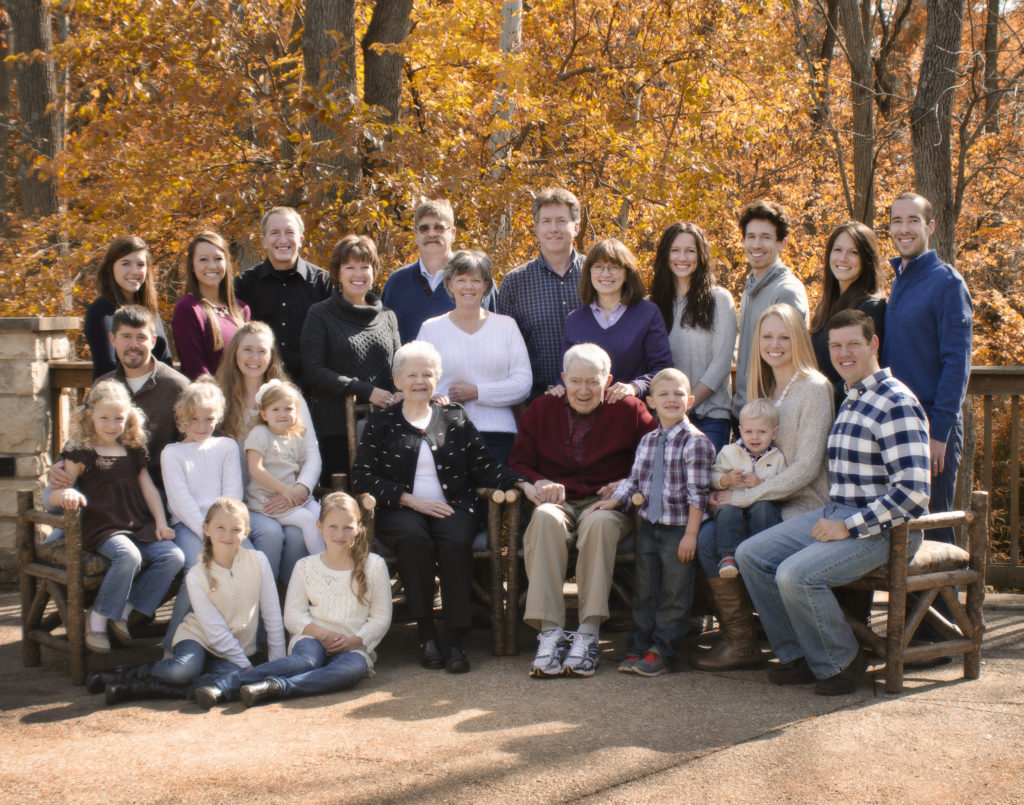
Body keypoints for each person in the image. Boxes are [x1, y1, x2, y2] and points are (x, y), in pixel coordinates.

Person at [736, 309, 931, 695]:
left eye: (853, 344)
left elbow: (913, 492)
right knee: (750, 555)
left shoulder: (895, 402)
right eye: (836, 345)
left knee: (795, 575)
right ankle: (797, 655)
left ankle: (843, 660)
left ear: (873, 344)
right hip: (838, 512)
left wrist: (848, 526)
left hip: (886, 530)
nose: (843, 353)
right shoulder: (853, 397)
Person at [351, 341, 531, 674]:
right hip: (400, 508)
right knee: (413, 539)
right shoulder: (382, 423)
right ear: (397, 379)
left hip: (454, 505)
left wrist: (521, 483)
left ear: (438, 378)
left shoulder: (454, 416)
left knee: (453, 541)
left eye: (428, 374)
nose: (420, 381)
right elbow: (362, 477)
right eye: (412, 374)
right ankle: (426, 634)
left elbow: (483, 464)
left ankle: (454, 638)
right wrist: (408, 499)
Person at [692, 303, 832, 672]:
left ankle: (775, 639)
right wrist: (725, 486)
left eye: (784, 336)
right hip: (764, 499)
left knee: (719, 541)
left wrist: (743, 496)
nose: (775, 344)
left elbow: (807, 467)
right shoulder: (768, 389)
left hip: (803, 504)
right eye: (767, 337)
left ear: (798, 339)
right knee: (707, 539)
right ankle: (743, 640)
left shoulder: (815, 388)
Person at [509, 343, 657, 678]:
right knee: (544, 520)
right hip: (558, 503)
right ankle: (550, 634)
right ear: (563, 379)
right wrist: (538, 481)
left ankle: (588, 634)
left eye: (593, 382)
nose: (584, 390)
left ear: (608, 380)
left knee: (599, 524)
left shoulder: (631, 409)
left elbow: (653, 462)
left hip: (608, 505)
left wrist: (624, 484)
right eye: (576, 381)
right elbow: (518, 461)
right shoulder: (542, 408)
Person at [192, 492, 392, 709]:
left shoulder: (374, 565)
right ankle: (223, 687)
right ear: (319, 526)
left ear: (359, 527)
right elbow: (293, 616)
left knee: (349, 670)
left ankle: (275, 687)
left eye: (348, 527)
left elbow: (380, 618)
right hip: (312, 639)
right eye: (332, 526)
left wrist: (353, 641)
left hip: (354, 646)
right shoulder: (305, 566)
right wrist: (323, 635)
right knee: (306, 661)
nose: (340, 534)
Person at [90, 498, 286, 705]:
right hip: (199, 636)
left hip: (236, 647)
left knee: (221, 683)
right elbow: (213, 628)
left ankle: (132, 690)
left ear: (246, 532)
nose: (227, 536)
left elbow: (272, 614)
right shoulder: (196, 574)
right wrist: (246, 667)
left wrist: (277, 664)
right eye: (220, 527)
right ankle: (119, 675)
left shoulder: (259, 562)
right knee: (182, 671)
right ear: (206, 529)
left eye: (235, 529)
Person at [593, 368, 715, 677]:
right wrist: (614, 500)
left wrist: (691, 534)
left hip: (678, 530)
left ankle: (664, 650)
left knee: (674, 591)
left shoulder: (696, 442)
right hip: (648, 526)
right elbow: (635, 480)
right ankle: (638, 647)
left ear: (689, 400)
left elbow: (698, 493)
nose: (671, 399)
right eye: (664, 394)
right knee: (645, 590)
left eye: (678, 394)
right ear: (651, 402)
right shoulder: (648, 441)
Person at [50, 381, 183, 654]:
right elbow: (58, 490)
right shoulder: (82, 452)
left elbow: (149, 491)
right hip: (103, 527)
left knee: (173, 557)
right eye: (104, 418)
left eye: (119, 418)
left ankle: (125, 611)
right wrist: (66, 496)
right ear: (90, 416)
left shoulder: (132, 450)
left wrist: (160, 522)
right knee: (129, 556)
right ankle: (98, 616)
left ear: (129, 417)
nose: (112, 425)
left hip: (137, 523)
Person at [882, 192, 972, 546]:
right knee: (905, 533)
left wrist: (939, 433)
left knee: (933, 529)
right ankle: (915, 605)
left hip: (932, 429)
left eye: (913, 220)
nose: (904, 229)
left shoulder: (947, 283)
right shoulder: (900, 280)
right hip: (897, 426)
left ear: (930, 226)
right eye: (896, 221)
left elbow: (957, 363)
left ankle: (952, 603)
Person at [217, 322, 320, 584]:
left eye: (261, 351)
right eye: (247, 350)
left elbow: (311, 455)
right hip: (248, 500)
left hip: (290, 495)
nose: (254, 358)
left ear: (271, 355)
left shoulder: (288, 398)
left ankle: (291, 601)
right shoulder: (222, 399)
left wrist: (299, 489)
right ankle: (263, 602)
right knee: (272, 534)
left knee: (299, 535)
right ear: (235, 353)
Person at [53, 305, 189, 491]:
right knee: (51, 494)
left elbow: (192, 441)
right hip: (106, 481)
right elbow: (83, 432)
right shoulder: (104, 384)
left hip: (158, 486)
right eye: (126, 337)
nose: (133, 344)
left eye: (141, 337)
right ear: (113, 339)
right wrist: (61, 462)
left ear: (153, 341)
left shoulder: (177, 386)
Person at [301, 235, 400, 484]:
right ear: (338, 272)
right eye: (350, 267)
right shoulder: (320, 314)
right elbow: (314, 370)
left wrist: (400, 392)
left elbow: (399, 367)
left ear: (374, 271)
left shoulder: (388, 316)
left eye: (365, 267)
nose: (358, 274)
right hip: (336, 430)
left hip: (386, 427)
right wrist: (366, 390)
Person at [417, 250, 531, 462]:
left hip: (498, 435)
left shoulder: (506, 326)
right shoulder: (431, 329)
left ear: (486, 286)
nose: (468, 287)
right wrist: (433, 398)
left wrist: (476, 392)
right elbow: (417, 380)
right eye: (461, 280)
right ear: (449, 284)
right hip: (443, 432)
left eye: (475, 280)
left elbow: (522, 384)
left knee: (496, 494)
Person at [160, 377, 245, 652]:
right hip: (189, 526)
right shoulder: (172, 453)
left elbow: (232, 493)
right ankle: (173, 642)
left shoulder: (226, 447)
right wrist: (207, 534)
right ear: (182, 417)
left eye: (208, 419)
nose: (201, 426)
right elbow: (180, 501)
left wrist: (224, 531)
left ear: (217, 416)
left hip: (228, 524)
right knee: (197, 565)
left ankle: (245, 638)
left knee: (250, 561)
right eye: (194, 419)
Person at [649, 222, 737, 453]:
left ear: (701, 256)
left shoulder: (720, 300)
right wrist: (671, 408)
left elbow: (720, 364)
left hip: (710, 417)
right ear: (665, 255)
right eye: (675, 250)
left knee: (705, 486)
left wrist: (686, 404)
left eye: (690, 251)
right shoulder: (652, 305)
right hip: (665, 417)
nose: (682, 257)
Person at [497, 188, 585, 400]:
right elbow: (505, 352)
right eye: (546, 221)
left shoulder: (597, 274)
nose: (553, 228)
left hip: (593, 397)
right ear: (536, 228)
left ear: (576, 227)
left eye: (561, 220)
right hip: (536, 400)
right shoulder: (515, 282)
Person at [558, 238, 673, 400]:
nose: (605, 274)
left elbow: (663, 369)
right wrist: (557, 388)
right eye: (598, 267)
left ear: (627, 273)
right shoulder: (574, 320)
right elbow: (565, 374)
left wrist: (634, 387)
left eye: (614, 267)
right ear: (589, 272)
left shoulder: (647, 313)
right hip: (584, 415)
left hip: (631, 412)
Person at [234, 206, 331, 391]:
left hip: (316, 393)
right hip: (259, 392)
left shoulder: (324, 284)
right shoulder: (242, 286)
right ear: (263, 240)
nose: (283, 239)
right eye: (274, 233)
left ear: (301, 239)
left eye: (289, 232)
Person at [732, 200, 809, 418]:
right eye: (751, 237)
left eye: (765, 237)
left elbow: (790, 362)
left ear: (782, 243)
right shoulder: (749, 289)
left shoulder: (786, 292)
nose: (756, 244)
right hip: (745, 414)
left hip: (770, 419)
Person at [381, 199, 495, 344]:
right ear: (416, 234)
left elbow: (496, 333)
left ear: (453, 233)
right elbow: (384, 340)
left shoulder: (477, 281)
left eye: (439, 228)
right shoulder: (397, 283)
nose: (432, 234)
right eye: (424, 228)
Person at [809, 221, 886, 408]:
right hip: (823, 409)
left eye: (853, 252)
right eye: (838, 250)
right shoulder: (825, 306)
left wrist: (815, 396)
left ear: (866, 259)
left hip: (852, 410)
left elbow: (866, 374)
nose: (843, 258)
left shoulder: (871, 308)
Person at [710, 398, 786, 577]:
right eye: (749, 431)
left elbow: (781, 488)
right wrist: (726, 480)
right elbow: (712, 478)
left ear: (774, 433)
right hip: (733, 504)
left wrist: (760, 484)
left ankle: (761, 553)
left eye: (762, 432)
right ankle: (728, 556)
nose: (754, 437)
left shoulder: (777, 458)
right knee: (726, 511)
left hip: (760, 506)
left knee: (765, 508)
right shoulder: (729, 452)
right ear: (740, 431)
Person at [245, 380, 323, 555]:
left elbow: (301, 468)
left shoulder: (295, 437)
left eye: (288, 409)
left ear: (296, 412)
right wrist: (285, 491)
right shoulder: (260, 433)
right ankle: (323, 565)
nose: (282, 414)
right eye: (275, 409)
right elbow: (254, 468)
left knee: (323, 514)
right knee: (307, 520)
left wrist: (297, 493)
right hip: (267, 501)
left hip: (292, 498)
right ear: (264, 414)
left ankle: (339, 560)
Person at [84, 235, 173, 379]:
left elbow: (165, 362)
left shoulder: (150, 311)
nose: (134, 271)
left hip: (157, 395)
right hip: (117, 397)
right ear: (110, 267)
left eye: (140, 264)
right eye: (126, 264)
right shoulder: (100, 312)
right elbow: (107, 368)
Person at [172, 231, 251, 380]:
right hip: (211, 399)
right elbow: (195, 369)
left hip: (243, 399)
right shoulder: (188, 308)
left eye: (218, 259)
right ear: (192, 266)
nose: (212, 266)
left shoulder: (241, 310)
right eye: (203, 259)